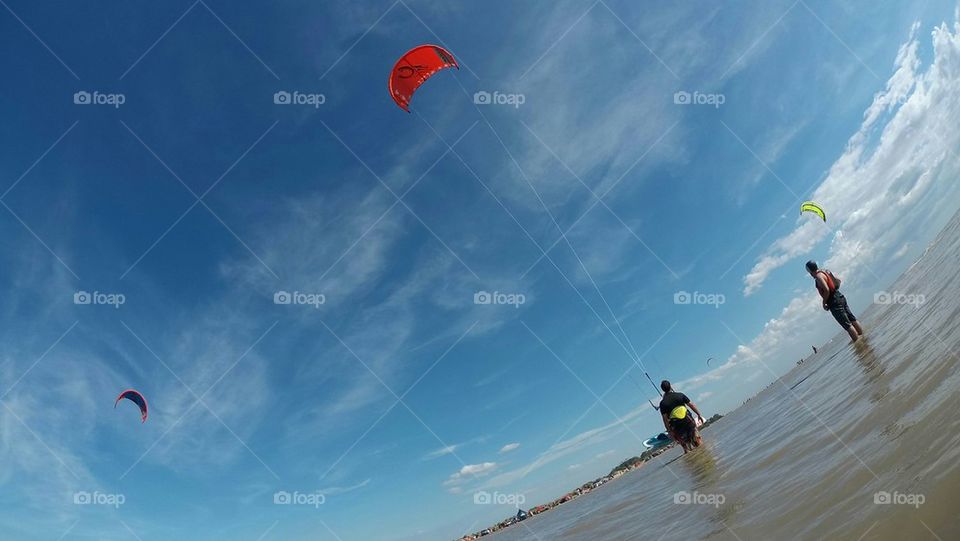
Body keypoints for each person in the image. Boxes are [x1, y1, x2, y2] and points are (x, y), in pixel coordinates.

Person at [806, 260, 864, 342]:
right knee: (853, 319)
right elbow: (838, 281)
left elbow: (826, 289)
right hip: (840, 296)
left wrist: (824, 302)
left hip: (834, 302)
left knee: (847, 325)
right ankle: (864, 339)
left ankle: (859, 345)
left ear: (809, 271)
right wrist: (835, 290)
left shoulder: (818, 277)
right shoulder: (825, 271)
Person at [658, 380, 705, 453]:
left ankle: (689, 454)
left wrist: (669, 431)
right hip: (688, 422)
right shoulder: (680, 395)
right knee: (697, 441)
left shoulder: (662, 403)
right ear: (671, 386)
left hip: (677, 426)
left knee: (686, 448)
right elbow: (691, 405)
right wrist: (699, 415)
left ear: (663, 390)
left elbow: (665, 419)